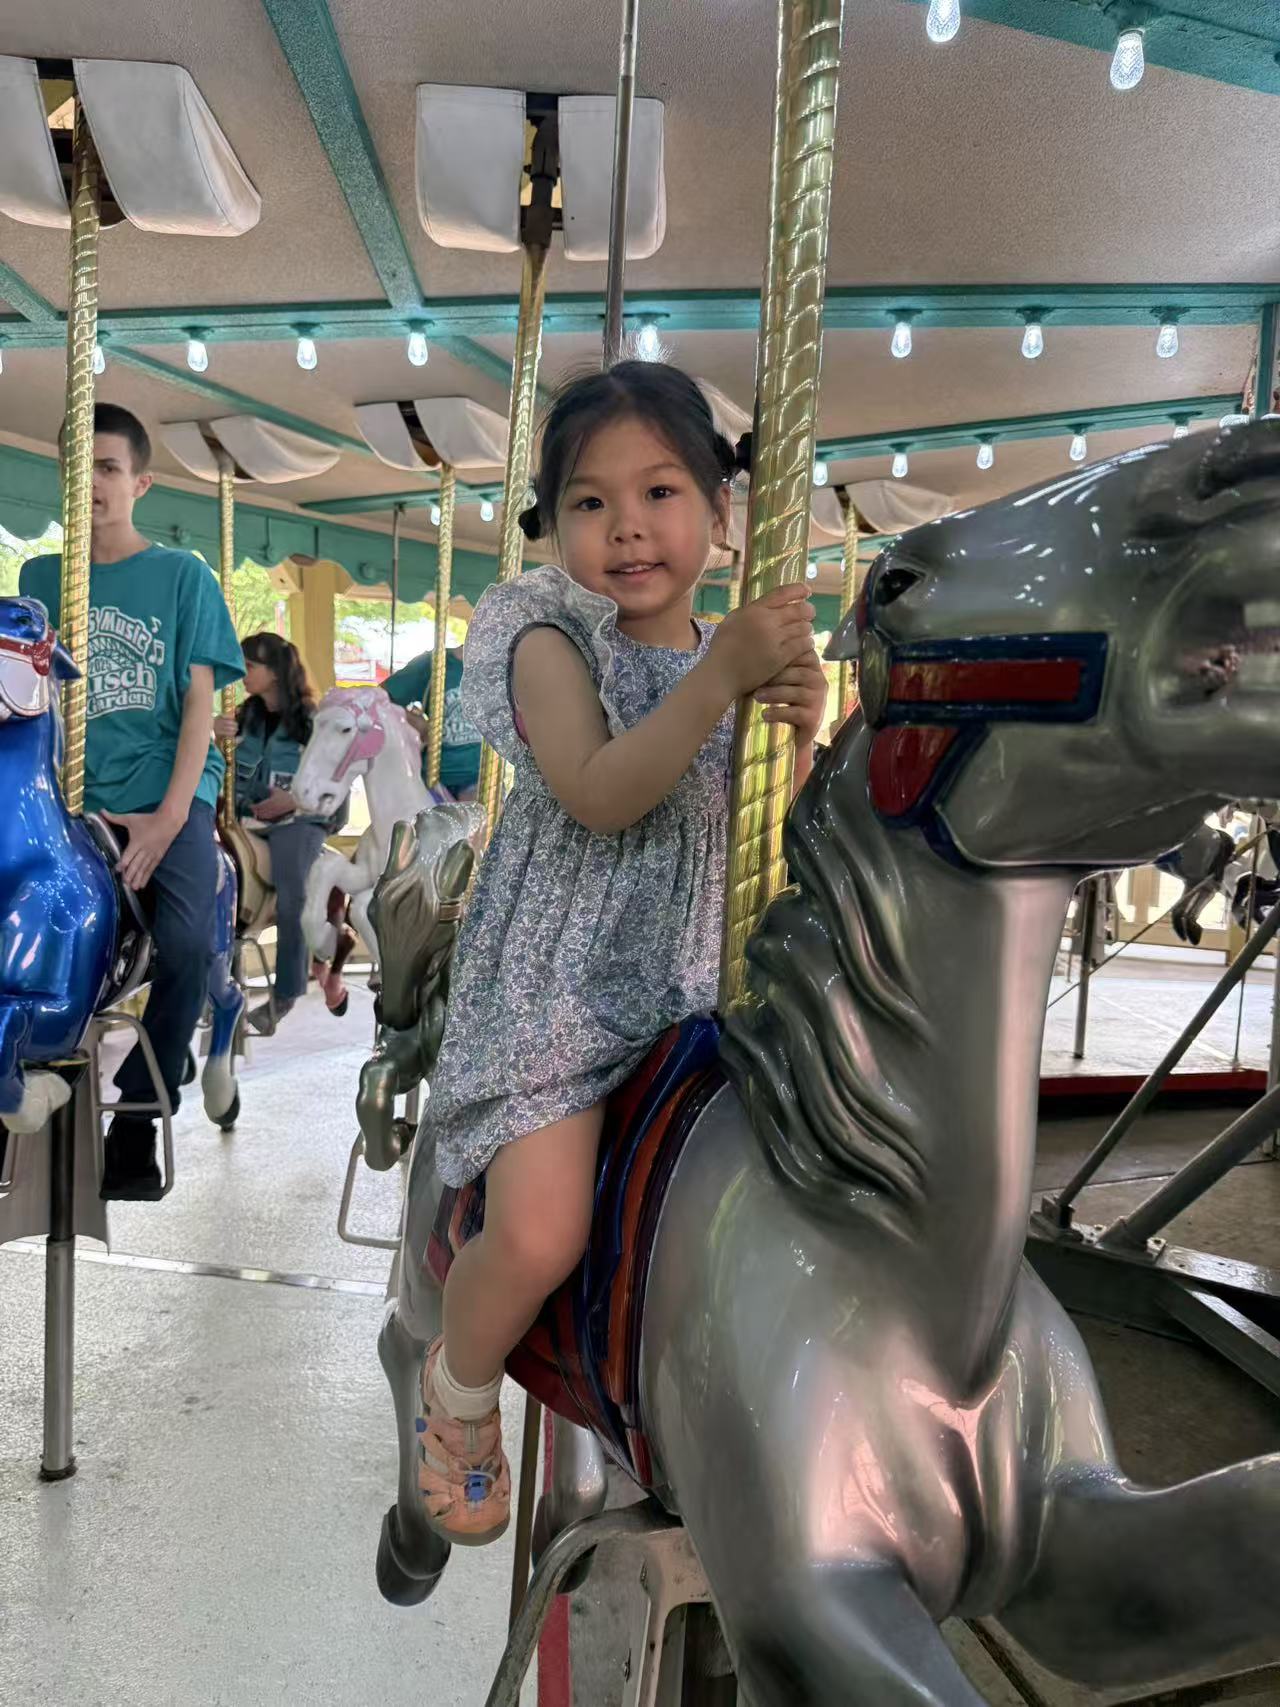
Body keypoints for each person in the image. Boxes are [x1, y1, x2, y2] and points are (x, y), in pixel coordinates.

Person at [414, 362, 826, 1543]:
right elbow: (600, 793)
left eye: (659, 492)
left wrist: (793, 735)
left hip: (697, 983)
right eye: (589, 502)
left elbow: (772, 830)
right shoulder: (548, 638)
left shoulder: (732, 657)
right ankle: (457, 1390)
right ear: (552, 526)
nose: (627, 527)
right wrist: (720, 679)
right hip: (561, 993)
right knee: (541, 1230)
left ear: (719, 512)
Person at [21, 403, 244, 1200]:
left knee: (183, 942)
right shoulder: (40, 579)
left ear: (140, 483)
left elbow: (198, 708)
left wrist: (171, 816)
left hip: (161, 794)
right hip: (67, 795)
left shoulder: (183, 576)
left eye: (109, 467)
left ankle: (142, 1113)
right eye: (79, 465)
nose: (93, 482)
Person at [214, 632, 342, 1033]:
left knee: (293, 895)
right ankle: (222, 983)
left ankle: (285, 992)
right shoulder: (243, 717)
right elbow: (221, 770)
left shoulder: (313, 722)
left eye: (250, 666)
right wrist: (214, 736)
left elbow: (335, 784)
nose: (243, 673)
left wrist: (294, 800)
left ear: (274, 672)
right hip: (245, 819)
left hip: (297, 822)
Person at [382, 640, 482, 800]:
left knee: (488, 809)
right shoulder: (433, 662)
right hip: (434, 777)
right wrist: (417, 722)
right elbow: (381, 698)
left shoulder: (499, 669)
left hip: (478, 779)